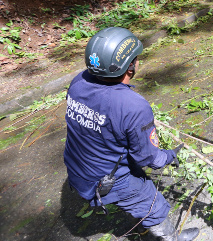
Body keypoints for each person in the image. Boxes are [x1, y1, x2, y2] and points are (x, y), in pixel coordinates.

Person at [63, 27, 200, 241]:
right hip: (104, 179)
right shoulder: (133, 106)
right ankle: (171, 238)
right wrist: (170, 156)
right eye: (136, 58)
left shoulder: (78, 82)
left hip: (76, 166)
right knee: (154, 205)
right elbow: (149, 159)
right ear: (130, 67)